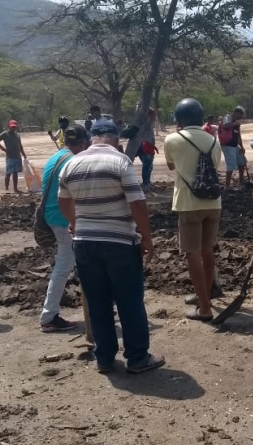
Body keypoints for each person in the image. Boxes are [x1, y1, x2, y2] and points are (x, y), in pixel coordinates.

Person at [58, 120, 164, 374]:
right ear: (115, 139)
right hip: (118, 242)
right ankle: (137, 358)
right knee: (129, 301)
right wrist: (147, 239)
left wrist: (76, 222)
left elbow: (63, 202)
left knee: (97, 301)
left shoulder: (71, 163)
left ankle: (104, 358)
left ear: (92, 139)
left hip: (85, 243)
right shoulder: (120, 162)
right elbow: (138, 203)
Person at [163, 98, 225, 321]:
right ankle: (205, 296)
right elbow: (215, 166)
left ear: (179, 119)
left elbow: (172, 166)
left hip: (188, 203)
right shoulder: (212, 140)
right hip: (213, 203)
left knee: (192, 254)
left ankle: (205, 307)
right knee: (207, 251)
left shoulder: (172, 140)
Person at [38, 124, 90, 332]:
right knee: (64, 265)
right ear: (84, 143)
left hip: (53, 216)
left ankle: (99, 304)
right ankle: (49, 316)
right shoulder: (73, 161)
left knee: (77, 261)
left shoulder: (57, 156)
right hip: (64, 219)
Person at [0, 120, 27, 193]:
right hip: (10, 156)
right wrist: (4, 150)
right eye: (12, 127)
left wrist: (24, 154)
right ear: (9, 126)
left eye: (14, 127)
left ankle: (15, 189)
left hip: (17, 155)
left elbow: (20, 145)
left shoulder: (17, 135)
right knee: (8, 173)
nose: (13, 128)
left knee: (15, 173)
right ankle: (6, 188)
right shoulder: (5, 134)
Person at [219, 106, 246, 188]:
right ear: (237, 113)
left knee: (242, 161)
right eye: (240, 115)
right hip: (227, 145)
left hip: (235, 145)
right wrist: (235, 123)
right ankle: (227, 186)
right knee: (231, 165)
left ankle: (241, 182)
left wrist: (242, 146)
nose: (241, 117)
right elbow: (225, 125)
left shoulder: (236, 122)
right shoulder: (228, 117)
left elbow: (238, 135)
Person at [135, 108, 158, 193]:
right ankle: (145, 184)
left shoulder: (149, 123)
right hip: (144, 147)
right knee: (147, 165)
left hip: (150, 147)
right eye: (153, 115)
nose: (155, 117)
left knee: (150, 166)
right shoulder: (145, 122)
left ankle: (147, 182)